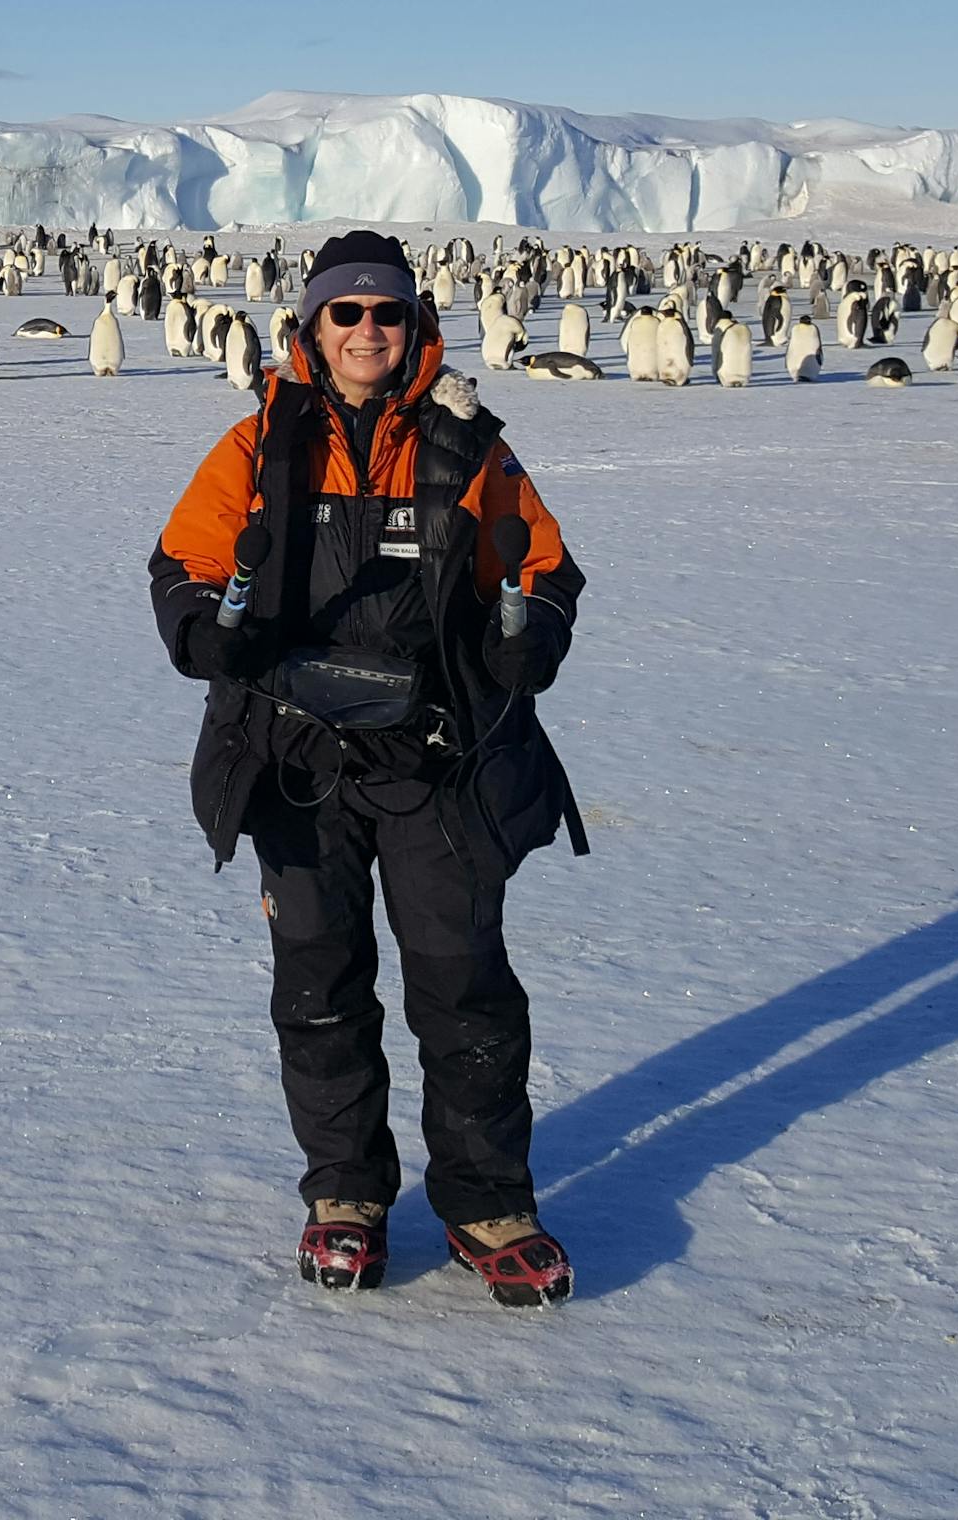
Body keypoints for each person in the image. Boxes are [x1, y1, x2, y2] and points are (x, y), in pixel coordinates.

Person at [146, 230, 589, 1306]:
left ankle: (489, 1202)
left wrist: (528, 639)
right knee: (319, 982)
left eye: (385, 313)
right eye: (344, 314)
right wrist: (205, 628)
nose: (366, 332)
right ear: (312, 327)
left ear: (415, 325)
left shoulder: (466, 445)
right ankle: (345, 1191)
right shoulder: (262, 442)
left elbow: (543, 562)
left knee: (464, 985)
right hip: (298, 757)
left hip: (434, 755)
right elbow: (186, 560)